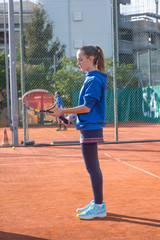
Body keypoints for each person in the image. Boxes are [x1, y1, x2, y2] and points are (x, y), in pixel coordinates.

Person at [51, 45, 107, 220]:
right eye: (77, 59)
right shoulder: (90, 78)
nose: (78, 63)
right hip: (88, 126)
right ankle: (98, 202)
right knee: (92, 167)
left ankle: (99, 206)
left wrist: (63, 111)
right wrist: (66, 118)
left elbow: (86, 107)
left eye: (80, 59)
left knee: (92, 167)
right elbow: (82, 108)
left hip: (91, 128)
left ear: (91, 59)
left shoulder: (94, 80)